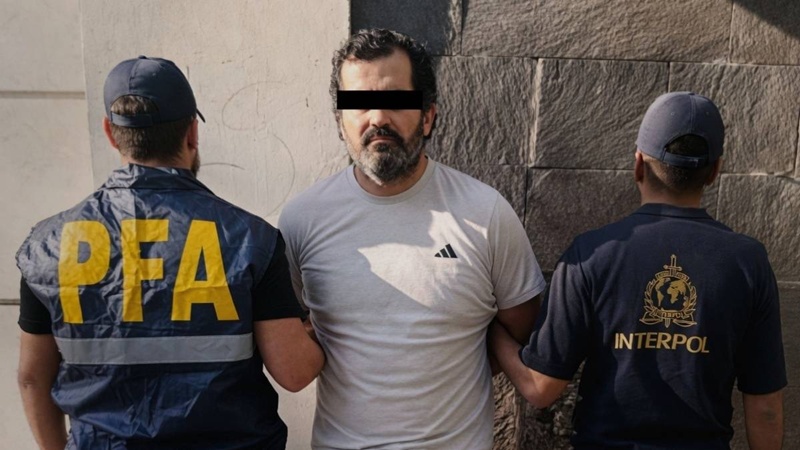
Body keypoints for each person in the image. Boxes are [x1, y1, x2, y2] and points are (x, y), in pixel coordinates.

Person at [16, 56, 325, 449]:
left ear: (111, 133)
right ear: (192, 133)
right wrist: (319, 331)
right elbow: (295, 373)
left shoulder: (48, 246)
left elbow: (32, 378)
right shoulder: (251, 239)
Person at [278, 28, 546, 449]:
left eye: (396, 101)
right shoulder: (301, 220)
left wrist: (450, 359)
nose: (377, 119)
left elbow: (523, 329)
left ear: (428, 115)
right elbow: (292, 336)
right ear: (339, 122)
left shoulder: (486, 214)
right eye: (359, 103)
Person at [491, 92, 786, 449]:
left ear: (638, 165)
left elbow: (540, 388)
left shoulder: (591, 254)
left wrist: (493, 331)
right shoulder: (748, 262)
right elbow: (765, 409)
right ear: (714, 172)